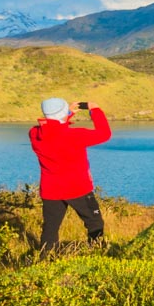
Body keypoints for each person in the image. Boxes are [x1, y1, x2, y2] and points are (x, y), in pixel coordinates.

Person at [29, 97, 111, 253]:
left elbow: (52, 128)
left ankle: (45, 262)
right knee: (95, 223)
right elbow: (104, 134)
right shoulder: (75, 135)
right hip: (77, 188)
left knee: (50, 229)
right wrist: (95, 109)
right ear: (62, 113)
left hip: (51, 190)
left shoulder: (34, 134)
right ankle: (97, 254)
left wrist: (67, 114)